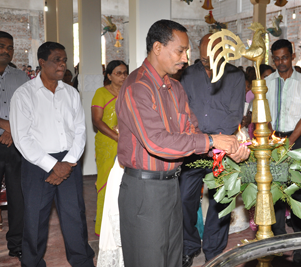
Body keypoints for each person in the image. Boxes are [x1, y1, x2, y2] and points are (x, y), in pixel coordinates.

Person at [115, 20, 246, 267]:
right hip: (145, 189)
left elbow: (190, 134)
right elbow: (157, 142)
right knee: (149, 260)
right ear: (157, 47)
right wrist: (212, 140)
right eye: (181, 50)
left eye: (186, 51)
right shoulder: (137, 87)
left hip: (172, 183)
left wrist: (227, 150)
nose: (186, 58)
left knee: (173, 258)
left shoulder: (175, 87)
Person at [9, 41, 95, 267]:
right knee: (35, 219)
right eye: (57, 59)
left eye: (64, 60)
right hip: (37, 163)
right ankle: (33, 263)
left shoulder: (71, 93)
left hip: (69, 161)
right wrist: (52, 165)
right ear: (41, 62)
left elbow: (80, 131)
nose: (62, 64)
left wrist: (67, 162)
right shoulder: (24, 94)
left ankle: (82, 262)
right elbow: (22, 138)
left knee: (74, 216)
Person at [179, 33, 247, 266]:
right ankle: (189, 245)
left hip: (222, 151)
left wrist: (216, 142)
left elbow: (235, 114)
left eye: (211, 58)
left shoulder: (236, 75)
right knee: (184, 200)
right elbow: (183, 110)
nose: (206, 63)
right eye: (203, 58)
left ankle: (213, 252)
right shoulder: (187, 74)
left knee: (221, 202)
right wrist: (202, 141)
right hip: (193, 149)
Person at [265, 39, 301, 266]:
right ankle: (278, 242)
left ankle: (299, 246)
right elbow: (264, 114)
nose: (280, 62)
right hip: (274, 140)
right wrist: (273, 139)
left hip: (297, 142)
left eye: (284, 57)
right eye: (276, 58)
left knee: (299, 195)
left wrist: (288, 143)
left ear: (293, 56)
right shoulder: (266, 82)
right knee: (275, 193)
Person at [0, 30, 29, 259]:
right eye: (1, 45)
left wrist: (12, 130)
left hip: (15, 145)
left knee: (17, 197)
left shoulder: (21, 77)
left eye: (10, 47)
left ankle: (16, 243)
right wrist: (5, 125)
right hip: (8, 134)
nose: (6, 50)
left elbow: (29, 110)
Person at [91, 60, 128, 236]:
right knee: (105, 185)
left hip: (127, 144)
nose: (123, 76)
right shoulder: (101, 93)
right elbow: (96, 121)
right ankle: (102, 229)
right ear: (109, 75)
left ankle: (121, 226)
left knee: (124, 185)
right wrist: (116, 137)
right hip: (107, 144)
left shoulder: (130, 93)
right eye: (118, 73)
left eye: (125, 72)